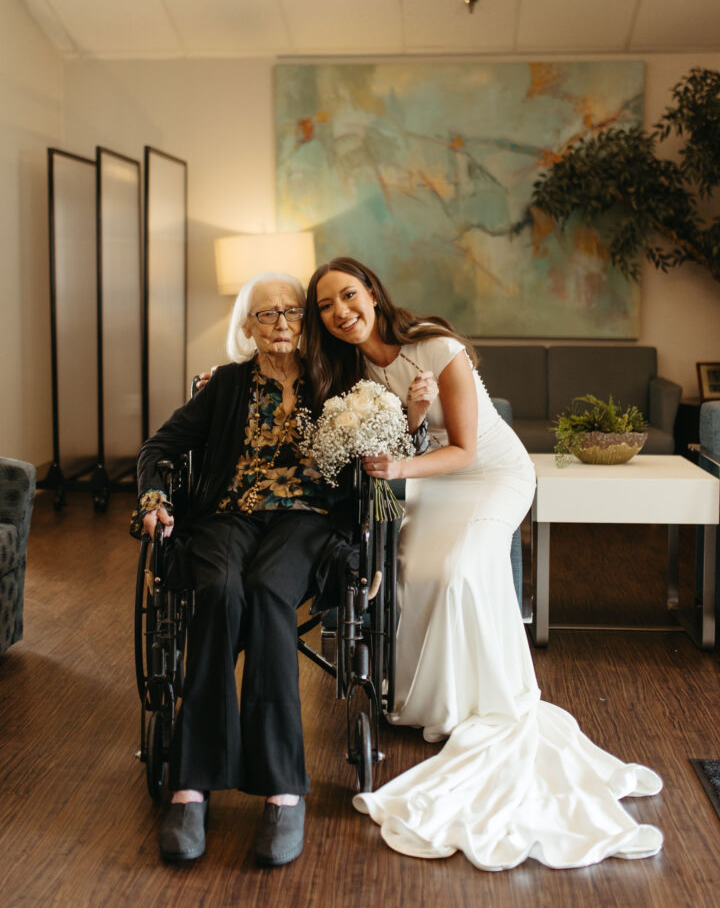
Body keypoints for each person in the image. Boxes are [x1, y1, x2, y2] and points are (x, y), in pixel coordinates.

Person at [304, 256, 663, 870]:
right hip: (434, 481)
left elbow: (467, 449)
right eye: (326, 307)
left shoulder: (438, 348)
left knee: (457, 571)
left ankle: (479, 702)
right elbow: (410, 443)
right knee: (412, 569)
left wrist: (401, 465)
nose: (340, 313)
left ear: (373, 293)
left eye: (348, 296)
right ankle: (424, 702)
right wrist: (412, 422)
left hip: (493, 476)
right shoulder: (354, 372)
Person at [132, 271, 356, 867]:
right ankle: (191, 785)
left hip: (305, 520)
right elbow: (158, 448)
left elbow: (376, 451)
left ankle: (284, 789)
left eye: (292, 312)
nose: (281, 324)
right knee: (219, 591)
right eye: (266, 315)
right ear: (248, 326)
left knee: (267, 591)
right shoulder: (225, 385)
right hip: (228, 517)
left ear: (307, 320)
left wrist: (407, 423)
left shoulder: (337, 383)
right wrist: (156, 500)